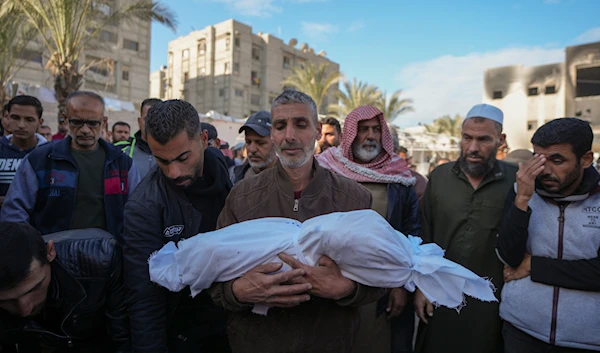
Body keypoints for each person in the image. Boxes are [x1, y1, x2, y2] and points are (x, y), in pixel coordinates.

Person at [209, 89, 385, 353]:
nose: (289, 136)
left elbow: (380, 275)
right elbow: (212, 274)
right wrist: (238, 291)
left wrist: (346, 288)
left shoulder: (354, 199)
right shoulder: (242, 198)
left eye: (300, 124)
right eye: (280, 126)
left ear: (317, 131)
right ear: (273, 134)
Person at [123, 100, 232, 353]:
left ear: (204, 139)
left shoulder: (221, 169)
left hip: (230, 323)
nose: (173, 172)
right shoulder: (144, 206)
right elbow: (143, 297)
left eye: (183, 158)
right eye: (162, 161)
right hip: (182, 334)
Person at [414, 103, 518, 353]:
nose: (473, 148)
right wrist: (422, 287)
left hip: (492, 301)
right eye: (467, 138)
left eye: (483, 139)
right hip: (440, 293)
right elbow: (424, 235)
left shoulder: (516, 180)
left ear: (500, 140)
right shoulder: (439, 177)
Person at [316, 106, 420, 353]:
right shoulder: (325, 170)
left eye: (375, 130)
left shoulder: (400, 177)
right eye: (363, 130)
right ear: (351, 134)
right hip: (331, 283)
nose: (370, 136)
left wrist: (400, 285)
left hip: (380, 286)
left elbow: (411, 233)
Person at [497, 118, 600, 352]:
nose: (544, 170)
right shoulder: (522, 191)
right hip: (521, 330)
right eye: (539, 158)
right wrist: (521, 201)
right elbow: (508, 258)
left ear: (585, 160)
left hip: (586, 339)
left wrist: (534, 265)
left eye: (557, 160)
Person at [0, 91, 140, 242]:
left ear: (104, 122)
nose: (85, 130)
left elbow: (137, 215)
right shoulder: (40, 160)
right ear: (66, 120)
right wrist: (34, 251)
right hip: (52, 258)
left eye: (93, 123)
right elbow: (14, 212)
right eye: (77, 122)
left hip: (111, 259)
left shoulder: (122, 163)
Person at [0, 223, 130, 352]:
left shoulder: (100, 259)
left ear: (50, 252)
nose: (25, 310)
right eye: (6, 301)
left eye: (34, 288)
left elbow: (123, 333)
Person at [0, 96, 48, 205]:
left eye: (29, 119)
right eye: (15, 117)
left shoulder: (51, 154)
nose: (21, 125)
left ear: (40, 123)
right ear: (8, 118)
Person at [116, 98, 162, 179]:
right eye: (147, 118)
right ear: (139, 121)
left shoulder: (175, 152)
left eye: (156, 119)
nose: (151, 123)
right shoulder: (120, 150)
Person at [232, 110, 277, 184]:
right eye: (248, 142)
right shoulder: (237, 176)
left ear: (275, 142)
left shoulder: (292, 178)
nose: (252, 149)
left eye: (260, 143)